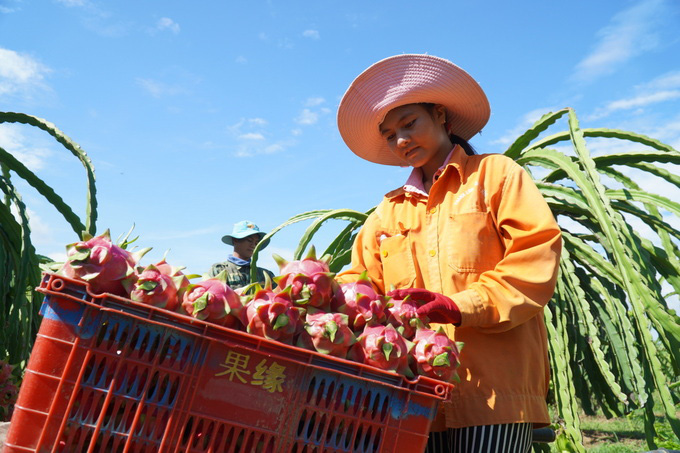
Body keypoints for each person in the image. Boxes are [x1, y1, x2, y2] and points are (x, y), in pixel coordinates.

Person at [336, 54, 562, 452]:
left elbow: (536, 253)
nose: (401, 139)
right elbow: (357, 283)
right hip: (414, 393)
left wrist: (460, 306)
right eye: (390, 134)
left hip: (495, 392)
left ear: (440, 115)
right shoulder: (387, 212)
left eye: (409, 123)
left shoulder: (496, 175)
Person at [209, 220, 275, 289]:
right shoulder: (219, 270)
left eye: (256, 243)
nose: (253, 245)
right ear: (235, 240)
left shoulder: (266, 275)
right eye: (249, 240)